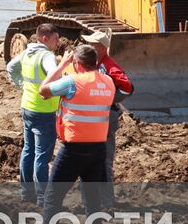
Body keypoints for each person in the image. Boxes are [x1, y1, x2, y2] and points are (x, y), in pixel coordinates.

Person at [34, 44, 116, 224]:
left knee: (53, 196)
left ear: (77, 64)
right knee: (92, 197)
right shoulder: (108, 82)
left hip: (74, 149)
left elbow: (43, 90)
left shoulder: (72, 81)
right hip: (98, 148)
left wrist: (61, 65)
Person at [51, 29, 133, 208]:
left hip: (105, 118)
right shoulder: (96, 65)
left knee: (104, 161)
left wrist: (109, 100)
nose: (88, 45)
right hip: (96, 120)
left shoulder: (109, 66)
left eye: (92, 44)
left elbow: (127, 87)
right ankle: (93, 200)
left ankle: (106, 201)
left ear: (101, 48)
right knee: (93, 162)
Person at [7, 22, 60, 204]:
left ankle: (26, 193)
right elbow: (54, 76)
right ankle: (42, 196)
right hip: (44, 111)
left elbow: (11, 67)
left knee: (28, 150)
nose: (58, 41)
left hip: (27, 107)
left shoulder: (28, 52)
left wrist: (22, 85)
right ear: (44, 38)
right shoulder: (47, 56)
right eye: (55, 38)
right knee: (42, 155)